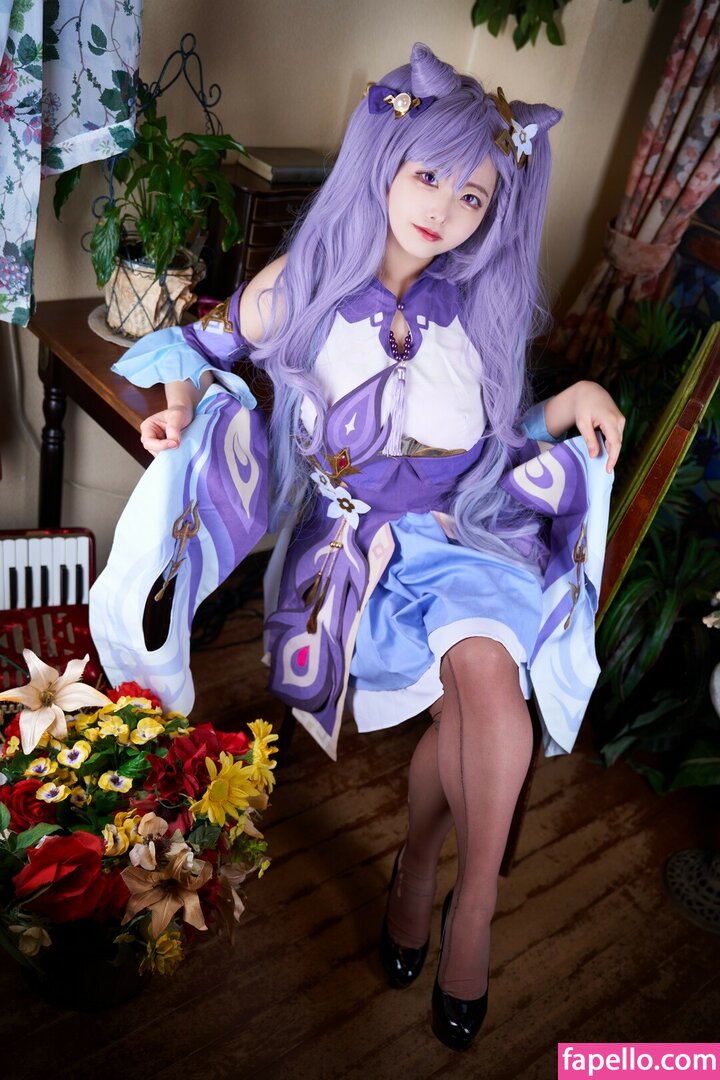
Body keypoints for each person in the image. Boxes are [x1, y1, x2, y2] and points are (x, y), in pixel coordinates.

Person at [90, 43, 624, 1052]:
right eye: (429, 176)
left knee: (489, 680)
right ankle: (421, 866)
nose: (444, 210)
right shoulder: (303, 286)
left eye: (473, 196)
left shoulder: (474, 310)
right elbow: (192, 347)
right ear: (387, 160)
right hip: (354, 554)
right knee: (478, 691)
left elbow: (493, 443)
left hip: (463, 535)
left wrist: (572, 402)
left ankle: (466, 904)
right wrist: (178, 411)